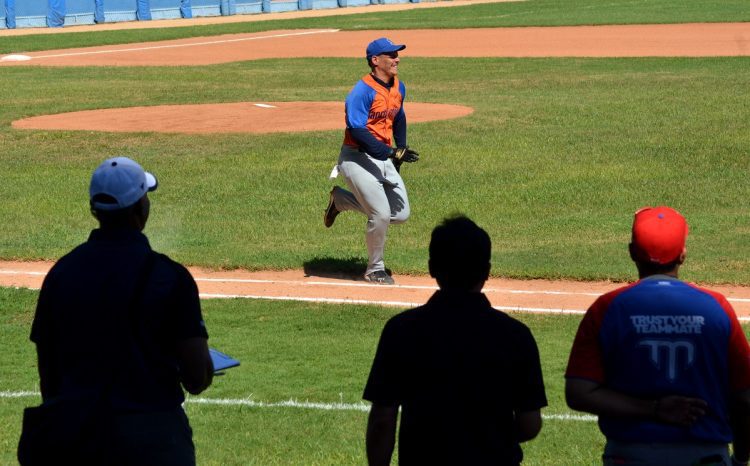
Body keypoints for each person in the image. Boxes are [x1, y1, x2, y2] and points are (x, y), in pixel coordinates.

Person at [21, 156, 213, 465]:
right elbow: (197, 377)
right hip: (154, 441)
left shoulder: (61, 274)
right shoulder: (169, 277)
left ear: (94, 210)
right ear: (140, 209)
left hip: (77, 439)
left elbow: (50, 377)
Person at [565, 206, 750, 466]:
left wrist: (652, 409)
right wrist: (742, 458)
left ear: (631, 253)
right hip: (706, 457)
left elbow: (579, 393)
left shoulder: (607, 309)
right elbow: (744, 398)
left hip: (628, 457)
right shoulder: (717, 308)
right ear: (683, 254)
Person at [363, 215, 547, 465]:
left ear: (431, 267)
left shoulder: (401, 331)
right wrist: (487, 437)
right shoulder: (516, 336)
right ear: (487, 271)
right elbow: (530, 423)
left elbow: (382, 420)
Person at [323, 37, 419, 285]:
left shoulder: (399, 86)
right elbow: (357, 131)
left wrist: (401, 147)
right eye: (391, 55)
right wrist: (389, 153)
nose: (397, 58)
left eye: (397, 54)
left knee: (401, 214)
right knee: (381, 213)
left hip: (382, 154)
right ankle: (374, 269)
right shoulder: (361, 92)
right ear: (376, 61)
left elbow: (398, 116)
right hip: (356, 157)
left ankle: (341, 200)